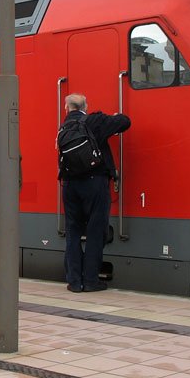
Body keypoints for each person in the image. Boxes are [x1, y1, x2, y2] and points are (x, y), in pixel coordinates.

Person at [60, 93, 131, 293]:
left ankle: (74, 281)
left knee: (73, 232)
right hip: (95, 183)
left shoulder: (63, 127)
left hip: (70, 185)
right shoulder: (95, 121)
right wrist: (116, 116)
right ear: (85, 106)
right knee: (95, 230)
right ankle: (91, 280)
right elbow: (125, 122)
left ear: (67, 108)